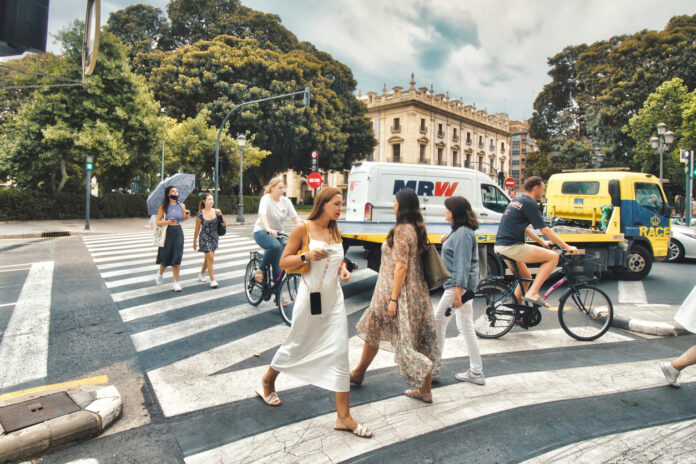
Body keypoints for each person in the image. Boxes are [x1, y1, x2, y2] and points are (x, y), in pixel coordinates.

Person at [257, 187, 372, 438]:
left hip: (334, 300)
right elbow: (284, 262)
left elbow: (336, 258)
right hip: (310, 298)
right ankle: (268, 380)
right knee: (297, 344)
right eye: (336, 204)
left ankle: (343, 417)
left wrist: (342, 269)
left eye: (341, 204)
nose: (340, 208)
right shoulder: (304, 229)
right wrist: (305, 255)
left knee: (340, 352)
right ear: (323, 204)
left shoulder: (334, 229)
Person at [351, 188, 439, 403]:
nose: (393, 205)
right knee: (414, 337)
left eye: (395, 202)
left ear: (402, 206)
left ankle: (423, 370)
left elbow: (401, 268)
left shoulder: (401, 230)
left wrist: (393, 300)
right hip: (418, 293)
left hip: (396, 293)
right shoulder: (417, 228)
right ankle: (360, 372)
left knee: (401, 340)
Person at [494, 176, 578, 307]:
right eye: (542, 189)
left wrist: (542, 243)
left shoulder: (517, 201)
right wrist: (566, 247)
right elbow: (545, 230)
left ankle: (516, 313)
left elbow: (525, 229)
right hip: (512, 247)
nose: (543, 193)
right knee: (553, 258)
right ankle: (533, 292)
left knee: (526, 278)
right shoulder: (530, 203)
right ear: (536, 188)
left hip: (501, 246)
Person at [433, 196, 484, 385]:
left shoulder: (463, 233)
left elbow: (462, 264)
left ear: (455, 212)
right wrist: (448, 239)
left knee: (438, 322)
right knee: (465, 326)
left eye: (447, 209)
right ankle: (476, 372)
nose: (445, 211)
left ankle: (434, 369)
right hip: (462, 287)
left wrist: (457, 292)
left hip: (457, 287)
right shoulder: (461, 232)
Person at [253, 178, 302, 284]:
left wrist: (304, 227)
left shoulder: (286, 201)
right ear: (272, 188)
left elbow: (295, 218)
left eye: (283, 188)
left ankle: (278, 296)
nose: (282, 190)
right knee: (276, 246)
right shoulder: (266, 199)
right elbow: (262, 214)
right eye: (279, 188)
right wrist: (268, 228)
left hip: (278, 234)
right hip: (262, 231)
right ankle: (260, 270)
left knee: (279, 265)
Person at [155, 186, 190, 291]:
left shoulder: (181, 205)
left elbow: (182, 219)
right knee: (166, 257)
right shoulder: (163, 207)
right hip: (167, 232)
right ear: (168, 194)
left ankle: (176, 282)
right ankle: (160, 274)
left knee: (177, 257)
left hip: (178, 232)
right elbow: (157, 221)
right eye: (173, 191)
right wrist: (167, 221)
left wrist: (187, 215)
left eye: (176, 191)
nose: (175, 193)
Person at [193, 192, 225, 288]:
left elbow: (224, 224)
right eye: (209, 199)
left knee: (208, 258)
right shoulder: (199, 214)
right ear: (204, 201)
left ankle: (201, 274)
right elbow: (197, 229)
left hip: (214, 237)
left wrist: (220, 215)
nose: (211, 201)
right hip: (204, 237)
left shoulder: (216, 211)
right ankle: (212, 280)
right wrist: (194, 241)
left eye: (212, 199)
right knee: (210, 258)